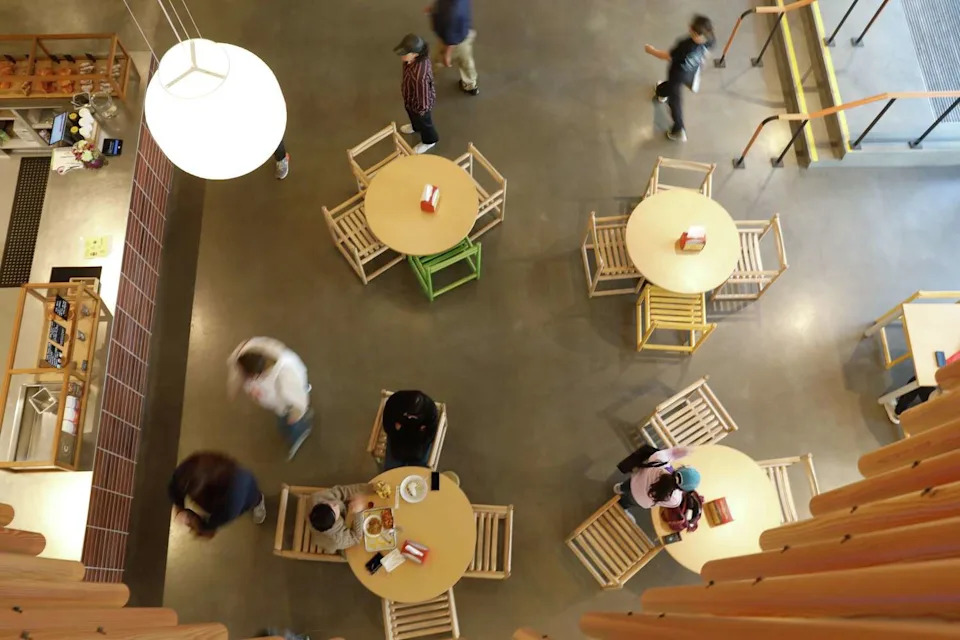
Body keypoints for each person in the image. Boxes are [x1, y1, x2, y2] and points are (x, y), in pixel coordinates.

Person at [227, 337, 312, 460]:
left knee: (287, 425)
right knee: (282, 425)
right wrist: (233, 388)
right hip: (275, 402)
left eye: (251, 378)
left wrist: (295, 414)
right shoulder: (247, 351)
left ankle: (300, 431)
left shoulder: (286, 374)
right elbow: (236, 370)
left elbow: (298, 399)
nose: (246, 380)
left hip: (285, 407)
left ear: (260, 374)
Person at [644, 15, 716, 142]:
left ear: (695, 34)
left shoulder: (685, 45)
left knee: (675, 101)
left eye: (692, 28)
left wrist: (651, 50)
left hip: (678, 73)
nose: (689, 28)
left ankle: (678, 129)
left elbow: (667, 56)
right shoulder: (711, 39)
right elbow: (706, 53)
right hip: (691, 70)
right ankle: (661, 91)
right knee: (670, 87)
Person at [168, 452, 265, 539]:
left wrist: (193, 520)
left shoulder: (233, 500)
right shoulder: (189, 471)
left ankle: (259, 501)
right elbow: (175, 486)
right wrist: (180, 507)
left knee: (253, 499)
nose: (193, 501)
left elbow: (212, 525)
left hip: (246, 491)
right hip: (237, 484)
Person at [613, 446, 701, 513]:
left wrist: (682, 451)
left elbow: (671, 453)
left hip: (634, 482)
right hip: (640, 499)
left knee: (626, 485)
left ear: (679, 469)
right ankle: (618, 506)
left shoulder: (659, 461)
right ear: (683, 490)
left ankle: (619, 488)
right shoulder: (675, 500)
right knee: (628, 502)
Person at [394, 34, 439, 154]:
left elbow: (423, 96)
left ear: (415, 54)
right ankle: (416, 126)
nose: (402, 55)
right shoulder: (410, 61)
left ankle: (429, 140)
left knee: (425, 123)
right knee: (412, 114)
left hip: (420, 105)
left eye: (405, 53)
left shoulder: (420, 76)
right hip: (410, 99)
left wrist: (421, 111)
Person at [426, 0, 479, 95]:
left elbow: (451, 38)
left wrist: (447, 54)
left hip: (453, 41)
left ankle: (426, 80)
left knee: (436, 60)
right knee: (466, 61)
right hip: (465, 34)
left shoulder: (452, 11)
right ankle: (470, 84)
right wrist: (434, 10)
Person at [308, 483, 375, 554]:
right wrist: (358, 513)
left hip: (347, 511)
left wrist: (368, 488)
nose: (336, 505)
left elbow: (342, 491)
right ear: (334, 522)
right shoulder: (337, 540)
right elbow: (356, 537)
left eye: (329, 504)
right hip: (337, 542)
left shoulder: (316, 498)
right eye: (335, 511)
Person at [382, 390, 440, 470]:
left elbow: (430, 434)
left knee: (418, 470)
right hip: (398, 437)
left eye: (413, 416)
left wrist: (418, 435)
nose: (409, 418)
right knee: (390, 469)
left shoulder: (430, 409)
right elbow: (387, 426)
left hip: (418, 440)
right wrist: (399, 432)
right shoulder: (395, 401)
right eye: (406, 415)